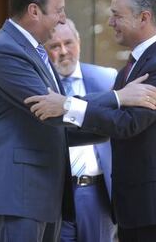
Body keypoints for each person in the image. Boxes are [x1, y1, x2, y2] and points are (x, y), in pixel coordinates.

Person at [0, 0, 156, 242]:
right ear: (34, 11)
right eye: (59, 10)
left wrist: (118, 127)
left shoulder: (34, 51)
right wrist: (119, 97)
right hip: (20, 192)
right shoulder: (5, 51)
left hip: (43, 193)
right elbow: (51, 111)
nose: (63, 19)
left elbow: (62, 123)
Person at [25, 0, 156, 242]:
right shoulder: (132, 68)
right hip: (136, 207)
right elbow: (106, 123)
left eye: (117, 15)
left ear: (144, 17)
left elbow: (125, 124)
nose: (110, 22)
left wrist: (67, 105)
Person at [45, 18, 116, 242]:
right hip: (54, 195)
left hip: (97, 193)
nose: (63, 51)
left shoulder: (107, 79)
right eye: (55, 46)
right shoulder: (39, 86)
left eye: (69, 43)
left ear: (79, 42)